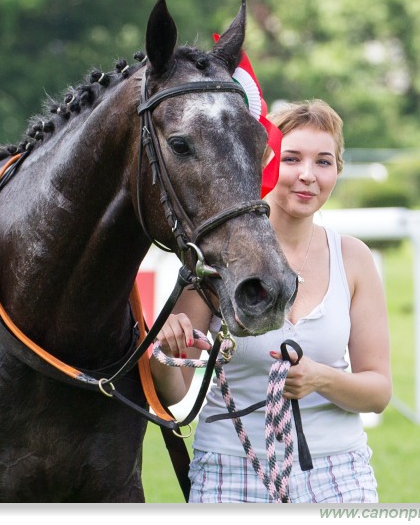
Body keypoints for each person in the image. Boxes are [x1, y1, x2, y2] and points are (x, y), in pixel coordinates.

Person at [150, 99, 392, 503]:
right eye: (291, 158)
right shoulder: (216, 259)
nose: (307, 176)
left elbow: (378, 391)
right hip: (230, 470)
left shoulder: (354, 259)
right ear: (263, 163)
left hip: (339, 471)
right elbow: (174, 391)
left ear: (337, 172)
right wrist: (165, 353)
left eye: (324, 162)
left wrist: (321, 379)